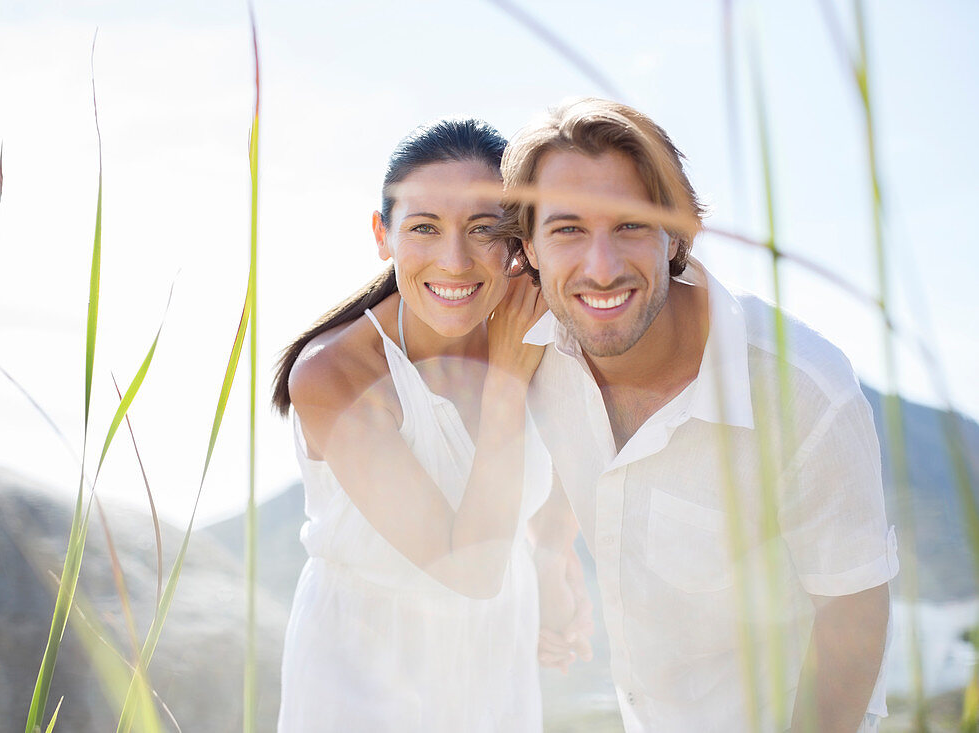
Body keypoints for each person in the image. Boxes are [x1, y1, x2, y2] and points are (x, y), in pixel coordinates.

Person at [497, 98, 899, 732]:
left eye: (630, 224)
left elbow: (853, 614)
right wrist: (550, 551)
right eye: (568, 230)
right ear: (529, 248)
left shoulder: (802, 389)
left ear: (677, 232)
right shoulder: (532, 347)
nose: (601, 269)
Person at [271, 118, 551, 732]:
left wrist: (557, 555)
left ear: (519, 241)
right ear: (383, 235)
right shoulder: (334, 374)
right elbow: (469, 571)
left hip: (498, 662)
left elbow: (569, 448)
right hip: (364, 674)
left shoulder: (537, 323)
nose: (454, 261)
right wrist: (506, 384)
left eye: (484, 230)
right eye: (424, 228)